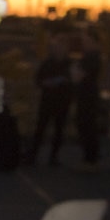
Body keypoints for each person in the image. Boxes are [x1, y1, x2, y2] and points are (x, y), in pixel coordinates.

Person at [26, 34, 73, 166]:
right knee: (41, 128)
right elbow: (38, 80)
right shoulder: (48, 63)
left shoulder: (68, 64)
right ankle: (33, 154)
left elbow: (72, 82)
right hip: (48, 100)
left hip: (62, 101)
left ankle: (53, 157)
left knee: (58, 130)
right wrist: (49, 83)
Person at [72, 28, 103, 170]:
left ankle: (90, 160)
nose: (84, 44)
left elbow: (77, 76)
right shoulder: (90, 57)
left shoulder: (91, 57)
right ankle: (90, 159)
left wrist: (75, 71)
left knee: (87, 126)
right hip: (86, 95)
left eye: (86, 41)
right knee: (86, 126)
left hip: (88, 97)